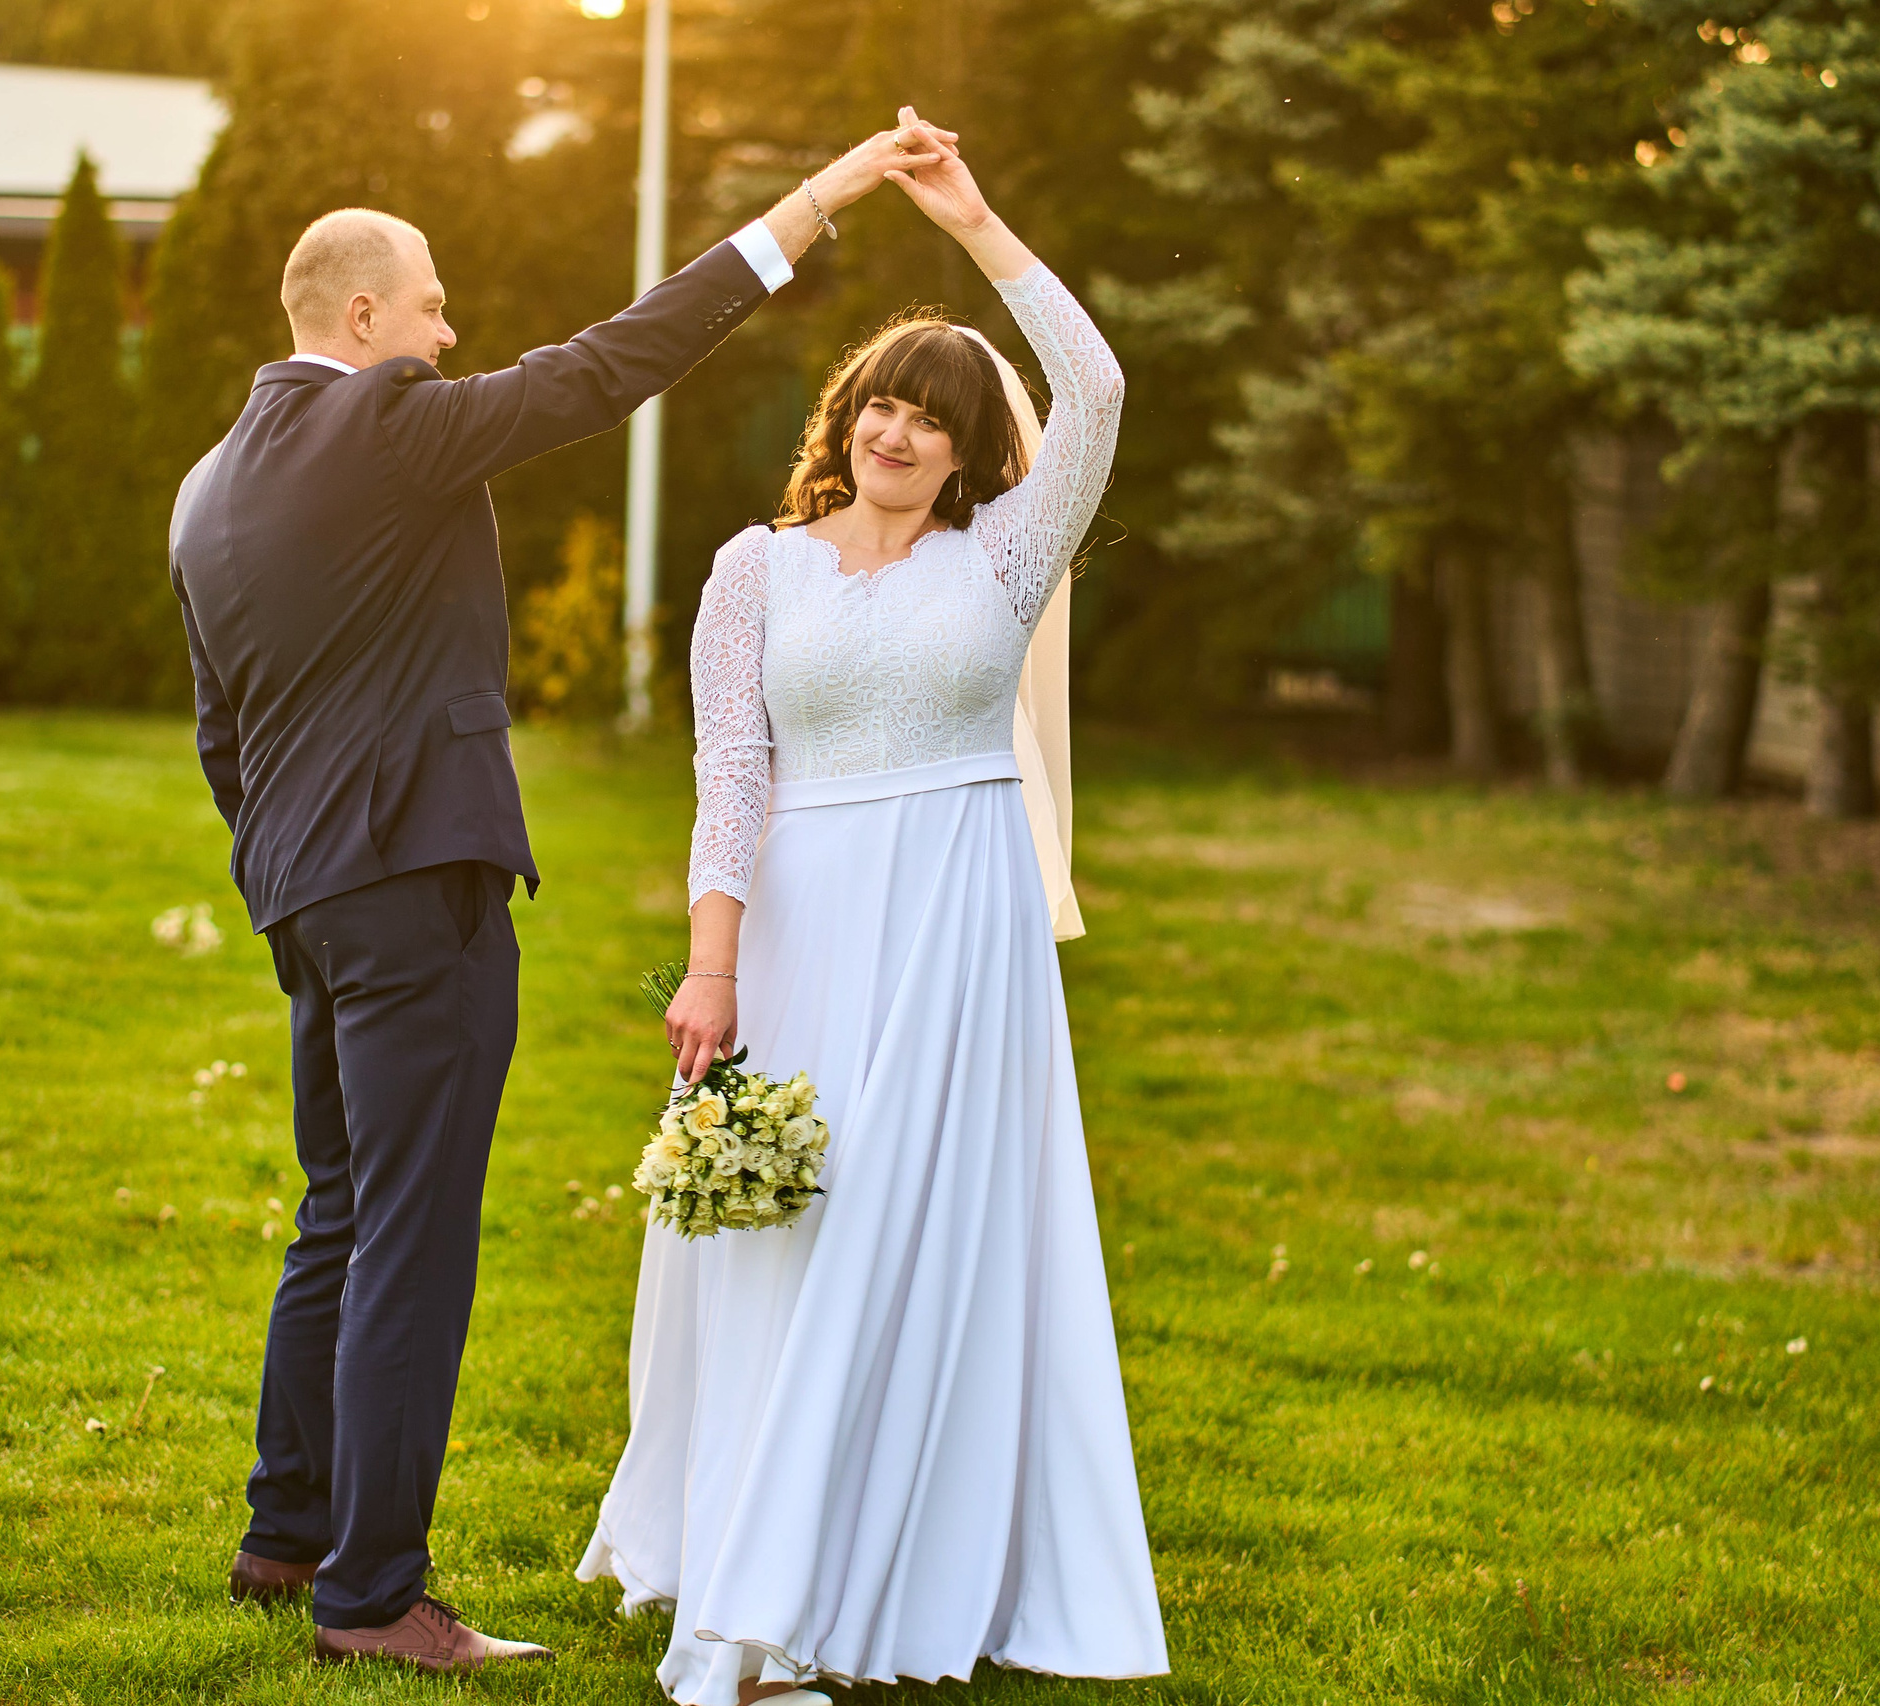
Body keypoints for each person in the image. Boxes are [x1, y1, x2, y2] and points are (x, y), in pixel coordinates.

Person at [167, 120, 938, 1671]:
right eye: (436, 306)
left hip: (306, 897)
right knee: (412, 1235)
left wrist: (289, 869)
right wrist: (814, 206)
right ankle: (373, 1593)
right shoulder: (385, 425)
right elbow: (608, 365)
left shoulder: (206, 488)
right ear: (363, 320)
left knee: (338, 1210)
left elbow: (219, 732)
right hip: (412, 887)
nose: (454, 336)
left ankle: (286, 1526)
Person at [577, 112, 1168, 1704]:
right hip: (804, 928)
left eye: (934, 419)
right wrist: (711, 971)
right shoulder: (751, 573)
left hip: (964, 934)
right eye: (882, 407)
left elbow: (1098, 392)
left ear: (976, 451)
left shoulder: (1008, 560)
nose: (901, 434)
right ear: (844, 422)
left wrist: (976, 222)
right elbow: (730, 780)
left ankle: (904, 1567)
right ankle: (759, 1602)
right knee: (800, 1241)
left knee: (925, 1237)